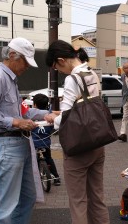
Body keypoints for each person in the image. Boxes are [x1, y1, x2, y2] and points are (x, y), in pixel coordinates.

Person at [0, 37, 49, 224]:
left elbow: (22, 111)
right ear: (12, 55)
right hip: (7, 144)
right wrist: (17, 123)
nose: (26, 67)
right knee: (5, 206)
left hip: (18, 144)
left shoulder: (10, 80)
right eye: (25, 61)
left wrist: (46, 114)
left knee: (27, 198)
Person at [44, 40, 110, 224]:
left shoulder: (72, 79)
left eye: (56, 66)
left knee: (78, 201)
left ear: (61, 60)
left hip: (78, 147)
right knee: (97, 197)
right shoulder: (91, 73)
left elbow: (64, 120)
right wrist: (63, 113)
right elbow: (86, 106)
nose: (58, 70)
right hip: (97, 143)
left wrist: (52, 118)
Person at [31, 93, 61, 186]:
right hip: (46, 142)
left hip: (34, 144)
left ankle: (33, 180)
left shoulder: (32, 115)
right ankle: (56, 178)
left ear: (35, 105)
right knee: (49, 158)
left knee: (33, 161)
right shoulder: (49, 115)